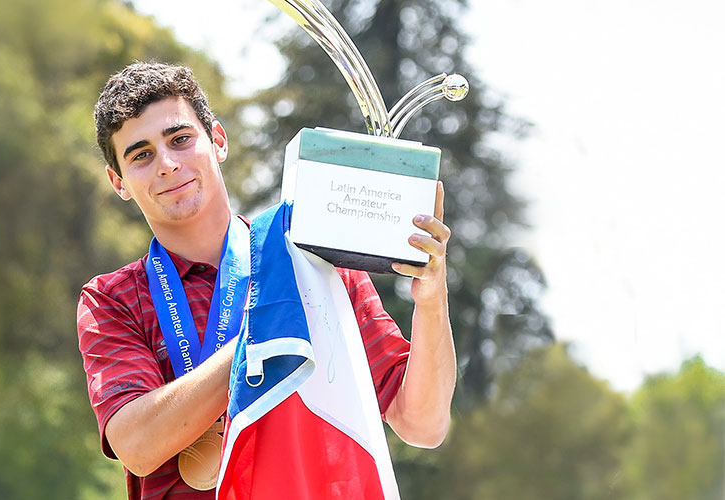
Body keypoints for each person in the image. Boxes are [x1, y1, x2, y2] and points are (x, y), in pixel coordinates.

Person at [76, 62, 457, 500]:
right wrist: (269, 333)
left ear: (218, 140)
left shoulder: (312, 259)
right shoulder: (112, 299)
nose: (167, 164)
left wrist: (432, 298)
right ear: (119, 182)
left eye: (180, 139)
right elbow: (137, 446)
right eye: (140, 155)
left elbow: (423, 424)